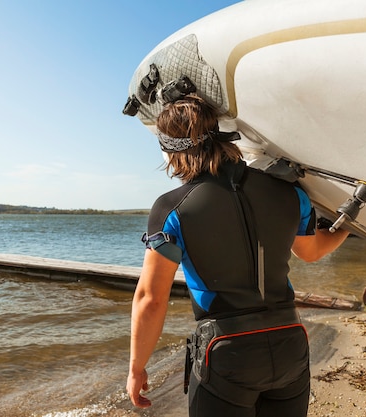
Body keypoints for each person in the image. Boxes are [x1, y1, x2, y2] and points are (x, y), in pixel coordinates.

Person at [126, 94, 349, 416]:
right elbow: (312, 252)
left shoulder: (172, 207)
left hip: (228, 352)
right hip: (290, 341)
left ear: (171, 151)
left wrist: (137, 367)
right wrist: (346, 226)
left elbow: (151, 298)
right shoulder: (290, 193)